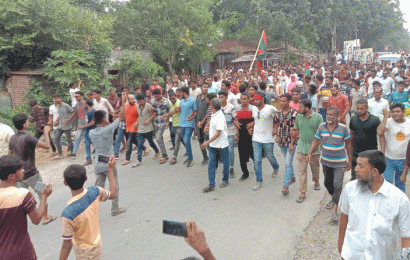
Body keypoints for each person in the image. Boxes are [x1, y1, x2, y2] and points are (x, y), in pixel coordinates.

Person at [338, 150, 410, 260]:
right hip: (352, 255)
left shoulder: (399, 199)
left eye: (360, 166)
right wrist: (342, 249)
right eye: (356, 164)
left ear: (374, 171)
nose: (356, 169)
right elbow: (344, 217)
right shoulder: (350, 189)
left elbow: (406, 236)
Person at [58, 158, 117, 260]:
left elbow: (67, 244)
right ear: (85, 179)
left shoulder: (68, 214)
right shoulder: (95, 191)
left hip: (84, 253)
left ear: (65, 182)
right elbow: (113, 194)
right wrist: (110, 170)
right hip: (97, 245)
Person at [0, 155, 53, 259]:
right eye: (20, 169)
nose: (23, 171)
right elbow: (37, 219)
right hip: (21, 252)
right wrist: (44, 196)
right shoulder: (23, 195)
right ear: (11, 176)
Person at [8, 113, 56, 224]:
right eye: (27, 121)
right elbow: (47, 146)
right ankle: (45, 218)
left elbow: (9, 155)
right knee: (42, 194)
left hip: (19, 175)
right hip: (32, 174)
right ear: (24, 124)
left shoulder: (13, 138)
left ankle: (20, 220)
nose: (28, 123)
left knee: (20, 198)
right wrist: (46, 133)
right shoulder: (28, 137)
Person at [308, 107, 352, 221]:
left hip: (340, 163)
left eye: (331, 115)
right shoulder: (321, 127)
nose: (328, 116)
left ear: (337, 116)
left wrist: (350, 161)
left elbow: (348, 144)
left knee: (337, 184)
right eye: (327, 114)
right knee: (327, 183)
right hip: (325, 162)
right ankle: (334, 198)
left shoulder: (343, 128)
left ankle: (335, 209)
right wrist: (310, 153)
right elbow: (316, 141)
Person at [89, 110, 126, 216]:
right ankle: (115, 209)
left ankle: (91, 210)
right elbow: (121, 116)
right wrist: (124, 97)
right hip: (108, 162)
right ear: (104, 118)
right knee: (114, 185)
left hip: (98, 163)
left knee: (97, 189)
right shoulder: (107, 130)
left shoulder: (91, 133)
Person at [291, 99, 323, 203]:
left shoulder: (318, 117)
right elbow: (295, 131)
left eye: (300, 107)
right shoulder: (298, 117)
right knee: (302, 172)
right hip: (301, 148)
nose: (298, 109)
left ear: (307, 108)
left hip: (314, 149)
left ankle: (316, 180)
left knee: (315, 169)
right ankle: (302, 192)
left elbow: (322, 133)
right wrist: (291, 144)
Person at [247, 91, 280, 191]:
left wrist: (275, 128)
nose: (255, 101)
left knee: (270, 156)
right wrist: (251, 127)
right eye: (254, 100)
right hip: (256, 138)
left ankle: (276, 166)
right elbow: (257, 120)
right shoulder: (254, 109)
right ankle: (259, 181)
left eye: (257, 99)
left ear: (262, 99)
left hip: (268, 138)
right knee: (257, 160)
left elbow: (278, 117)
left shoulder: (270, 108)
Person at [378, 103, 410, 193]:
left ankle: (400, 205)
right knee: (387, 181)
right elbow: (380, 132)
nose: (395, 113)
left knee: (400, 183)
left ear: (403, 112)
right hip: (389, 158)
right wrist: (386, 117)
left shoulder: (409, 123)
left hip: (403, 160)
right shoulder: (389, 121)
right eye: (392, 112)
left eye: (398, 111)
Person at [201, 98, 230, 192]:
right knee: (211, 165)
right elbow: (211, 119)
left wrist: (206, 142)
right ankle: (211, 185)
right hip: (213, 145)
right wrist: (207, 126)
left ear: (212, 106)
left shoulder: (220, 117)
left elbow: (218, 133)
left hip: (222, 145)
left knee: (225, 163)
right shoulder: (215, 114)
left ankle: (225, 180)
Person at [349, 99, 381, 181]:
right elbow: (351, 134)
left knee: (370, 176)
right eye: (358, 108)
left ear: (367, 108)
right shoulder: (353, 119)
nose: (359, 111)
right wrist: (350, 148)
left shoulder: (375, 120)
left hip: (371, 153)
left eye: (362, 108)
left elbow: (381, 134)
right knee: (354, 177)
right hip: (356, 152)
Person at [273, 93, 298, 195]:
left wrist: (292, 144)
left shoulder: (295, 114)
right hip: (282, 142)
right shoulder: (278, 114)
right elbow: (275, 125)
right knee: (288, 161)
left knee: (288, 163)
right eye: (281, 101)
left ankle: (285, 185)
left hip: (292, 142)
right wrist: (277, 136)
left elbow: (296, 129)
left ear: (289, 101)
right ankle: (292, 176)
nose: (282, 103)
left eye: (284, 101)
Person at [121, 93, 148, 166]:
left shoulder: (137, 106)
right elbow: (123, 113)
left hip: (135, 127)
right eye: (131, 99)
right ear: (128, 100)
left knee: (129, 143)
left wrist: (137, 122)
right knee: (134, 141)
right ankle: (145, 148)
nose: (133, 100)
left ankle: (127, 159)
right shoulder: (126, 106)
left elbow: (141, 115)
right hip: (128, 127)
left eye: (133, 98)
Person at [135, 94, 160, 167]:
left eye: (140, 100)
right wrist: (136, 122)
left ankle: (157, 151)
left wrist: (148, 120)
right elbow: (140, 115)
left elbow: (155, 113)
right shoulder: (137, 107)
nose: (139, 102)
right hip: (140, 129)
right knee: (139, 144)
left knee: (151, 142)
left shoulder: (148, 105)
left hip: (148, 128)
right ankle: (138, 160)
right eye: (138, 101)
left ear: (144, 100)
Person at [219, 90, 238, 178]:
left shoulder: (231, 107)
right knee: (223, 150)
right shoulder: (217, 107)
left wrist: (237, 133)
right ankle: (225, 166)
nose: (220, 99)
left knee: (230, 150)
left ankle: (231, 167)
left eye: (222, 97)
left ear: (226, 98)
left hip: (230, 131)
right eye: (219, 97)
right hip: (221, 132)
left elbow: (235, 119)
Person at [235, 93, 254, 181]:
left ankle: (258, 170)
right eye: (241, 99)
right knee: (241, 155)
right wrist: (236, 133)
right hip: (241, 135)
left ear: (249, 99)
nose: (243, 100)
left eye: (245, 99)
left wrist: (252, 125)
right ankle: (245, 173)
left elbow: (260, 119)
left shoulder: (253, 109)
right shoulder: (237, 109)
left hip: (251, 135)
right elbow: (234, 120)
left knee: (253, 154)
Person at [178, 86, 197, 167]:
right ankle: (189, 156)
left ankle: (190, 158)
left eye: (180, 92)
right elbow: (180, 109)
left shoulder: (192, 100)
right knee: (185, 140)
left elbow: (195, 111)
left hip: (189, 124)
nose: (179, 94)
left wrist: (191, 117)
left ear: (184, 92)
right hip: (181, 123)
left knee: (186, 140)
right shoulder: (182, 100)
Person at [151, 88, 170, 164]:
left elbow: (168, 111)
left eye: (158, 95)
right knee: (160, 138)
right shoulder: (152, 101)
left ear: (160, 94)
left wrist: (167, 122)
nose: (156, 97)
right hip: (155, 122)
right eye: (155, 96)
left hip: (163, 120)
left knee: (158, 138)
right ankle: (165, 153)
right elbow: (152, 110)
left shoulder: (165, 101)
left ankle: (164, 154)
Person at [65, 91, 87, 158]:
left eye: (77, 96)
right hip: (80, 123)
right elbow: (75, 113)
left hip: (87, 123)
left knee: (88, 138)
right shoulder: (77, 105)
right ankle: (74, 153)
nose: (76, 98)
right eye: (75, 97)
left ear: (81, 96)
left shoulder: (85, 103)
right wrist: (69, 120)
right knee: (78, 138)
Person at [53, 93, 74, 158]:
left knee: (69, 139)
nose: (56, 99)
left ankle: (73, 152)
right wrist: (57, 120)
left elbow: (73, 112)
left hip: (66, 126)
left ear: (60, 98)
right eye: (55, 98)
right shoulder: (58, 106)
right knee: (56, 138)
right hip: (60, 126)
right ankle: (60, 154)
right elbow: (60, 115)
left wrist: (69, 119)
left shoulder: (66, 105)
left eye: (58, 98)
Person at [195, 82, 210, 166]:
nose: (206, 88)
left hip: (206, 123)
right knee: (200, 140)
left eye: (207, 87)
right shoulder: (197, 97)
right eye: (204, 87)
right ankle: (205, 157)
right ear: (201, 88)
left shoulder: (209, 98)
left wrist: (203, 122)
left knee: (208, 141)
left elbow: (209, 112)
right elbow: (196, 109)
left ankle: (216, 157)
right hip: (198, 123)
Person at [78, 99, 96, 166]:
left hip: (93, 131)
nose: (84, 105)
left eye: (85, 104)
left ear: (87, 104)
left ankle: (99, 157)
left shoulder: (93, 111)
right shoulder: (86, 111)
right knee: (86, 145)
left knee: (96, 145)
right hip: (87, 131)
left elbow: (92, 122)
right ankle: (88, 159)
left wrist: (82, 126)